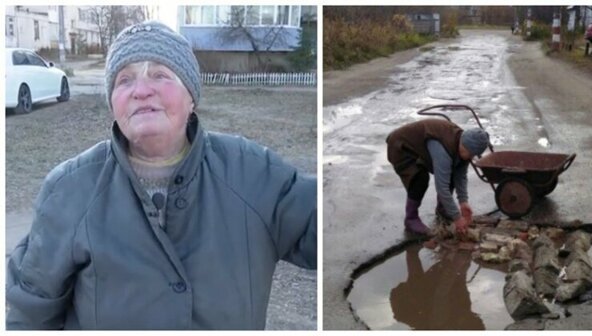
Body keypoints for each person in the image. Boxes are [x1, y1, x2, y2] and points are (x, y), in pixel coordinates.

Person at [6, 21, 316, 330]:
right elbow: (31, 309)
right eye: (124, 80)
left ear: (191, 96)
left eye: (159, 74)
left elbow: (326, 227)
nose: (141, 90)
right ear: (113, 102)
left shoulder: (251, 172)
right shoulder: (70, 189)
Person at [386, 118, 489, 236]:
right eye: (468, 153)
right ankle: (411, 219)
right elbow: (442, 186)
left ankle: (442, 209)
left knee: (454, 168)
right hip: (401, 146)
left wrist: (463, 201)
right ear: (462, 143)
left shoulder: (463, 143)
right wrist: (457, 217)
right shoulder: (443, 150)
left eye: (472, 155)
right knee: (419, 179)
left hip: (422, 146)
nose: (469, 157)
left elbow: (460, 176)